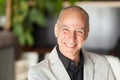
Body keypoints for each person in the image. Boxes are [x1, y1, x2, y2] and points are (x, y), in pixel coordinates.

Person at [28, 5, 116, 80]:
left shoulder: (103, 64)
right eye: (66, 29)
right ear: (56, 30)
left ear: (87, 34)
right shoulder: (38, 73)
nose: (72, 38)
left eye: (79, 31)